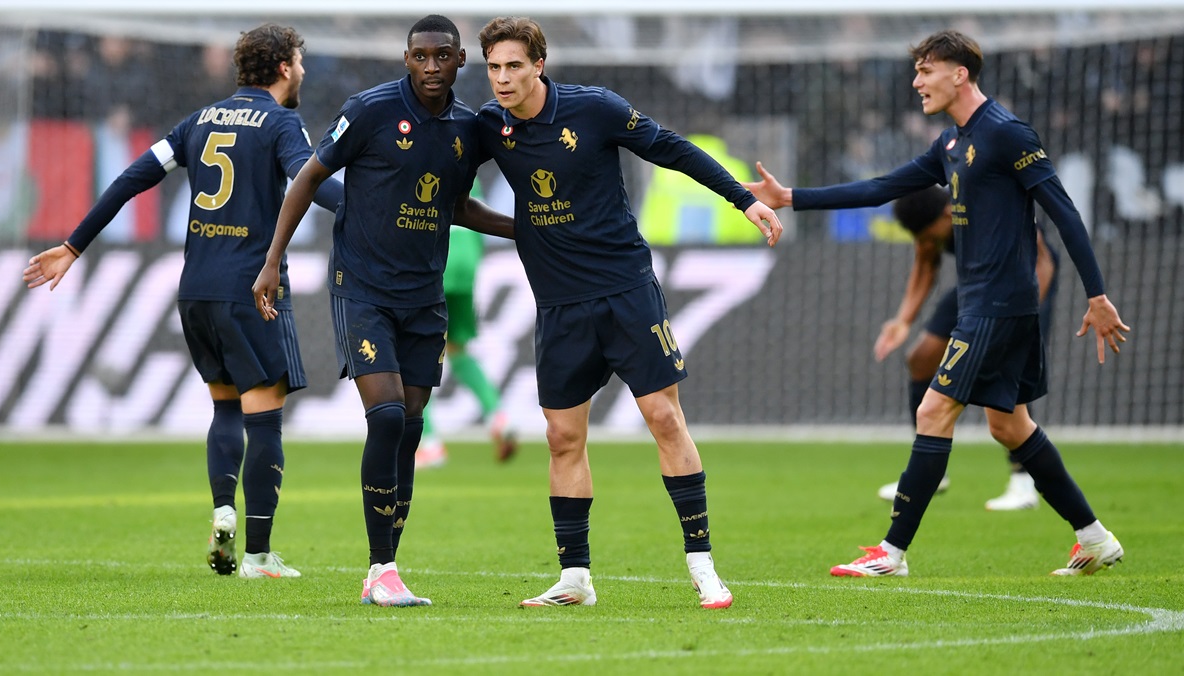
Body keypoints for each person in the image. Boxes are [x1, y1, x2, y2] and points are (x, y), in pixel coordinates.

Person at [743, 30, 1130, 577]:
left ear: (959, 74)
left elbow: (1064, 213)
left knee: (932, 411)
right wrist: (790, 197)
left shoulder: (1008, 134)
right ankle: (1094, 538)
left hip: (999, 303)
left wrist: (1097, 295)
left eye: (926, 71)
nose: (916, 82)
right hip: (982, 301)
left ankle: (891, 553)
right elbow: (882, 187)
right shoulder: (950, 143)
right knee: (1009, 427)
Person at [474, 16, 782, 609]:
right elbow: (446, 186)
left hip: (625, 289)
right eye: (494, 68)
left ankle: (703, 566)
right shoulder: (489, 126)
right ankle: (575, 578)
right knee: (562, 437)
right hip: (559, 304)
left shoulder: (594, 108)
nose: (503, 78)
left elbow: (673, 149)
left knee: (663, 417)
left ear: (540, 65)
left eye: (514, 65)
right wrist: (522, 230)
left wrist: (743, 200)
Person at [23, 24, 342, 579]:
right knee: (264, 419)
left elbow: (131, 179)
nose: (303, 72)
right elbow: (308, 181)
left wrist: (74, 245)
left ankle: (223, 510)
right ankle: (259, 556)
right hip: (252, 289)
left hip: (195, 289)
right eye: (299, 62)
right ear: (284, 67)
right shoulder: (281, 122)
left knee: (225, 408)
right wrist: (377, 211)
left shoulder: (199, 121)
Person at [252, 15, 513, 607]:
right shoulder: (369, 110)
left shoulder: (468, 129)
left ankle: (386, 570)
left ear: (460, 60)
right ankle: (380, 566)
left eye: (441, 56)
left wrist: (525, 229)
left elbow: (458, 206)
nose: (430, 66)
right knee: (389, 415)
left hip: (425, 295)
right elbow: (308, 179)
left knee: (413, 424)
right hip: (362, 288)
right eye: (420, 56)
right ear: (406, 58)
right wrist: (271, 261)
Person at [873, 185, 1061, 511]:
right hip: (977, 282)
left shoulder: (991, 207)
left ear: (949, 214)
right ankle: (930, 473)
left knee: (1009, 371)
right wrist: (903, 320)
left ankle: (1023, 483)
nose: (926, 243)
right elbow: (925, 264)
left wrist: (1022, 320)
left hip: (1026, 278)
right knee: (921, 358)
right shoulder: (929, 221)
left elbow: (1043, 262)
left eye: (928, 236)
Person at [414, 189, 518, 469]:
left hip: (438, 258)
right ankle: (498, 416)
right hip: (467, 260)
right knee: (457, 349)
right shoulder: (471, 165)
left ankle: (429, 442)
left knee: (414, 355)